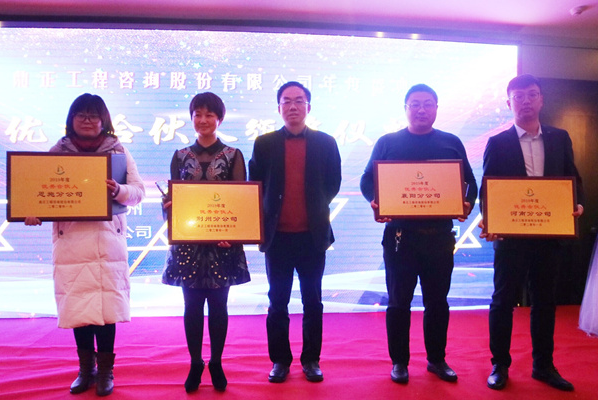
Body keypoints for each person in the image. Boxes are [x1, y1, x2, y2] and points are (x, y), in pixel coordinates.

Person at [24, 93, 146, 396]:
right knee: (80, 308)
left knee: (106, 309)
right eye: (81, 115)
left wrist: (118, 190)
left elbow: (138, 192)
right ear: (71, 119)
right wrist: (32, 211)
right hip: (72, 242)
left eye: (94, 115)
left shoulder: (118, 151)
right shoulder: (57, 152)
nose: (88, 120)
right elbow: (38, 193)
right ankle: (85, 369)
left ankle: (105, 371)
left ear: (104, 120)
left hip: (107, 241)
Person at [360, 84, 477, 384]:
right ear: (405, 109)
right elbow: (366, 180)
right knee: (398, 302)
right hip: (400, 238)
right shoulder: (388, 142)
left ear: (436, 108)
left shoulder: (451, 143)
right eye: (415, 104)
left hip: (439, 237)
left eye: (427, 104)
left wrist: (466, 203)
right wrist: (376, 201)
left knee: (437, 302)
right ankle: (399, 362)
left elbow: (470, 184)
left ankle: (436, 359)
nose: (421, 109)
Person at [479, 74, 584, 392]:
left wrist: (577, 204)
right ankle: (500, 365)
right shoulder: (498, 143)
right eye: (519, 96)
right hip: (510, 238)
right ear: (508, 102)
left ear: (541, 100)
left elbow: (572, 178)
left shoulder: (560, 138)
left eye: (532, 94)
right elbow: (488, 189)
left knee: (545, 301)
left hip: (547, 237)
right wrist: (490, 220)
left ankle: (543, 366)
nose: (526, 101)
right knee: (503, 301)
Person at [248, 81, 341, 383]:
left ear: (308, 107)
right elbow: (255, 185)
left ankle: (311, 359)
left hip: (312, 238)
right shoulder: (264, 144)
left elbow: (333, 183)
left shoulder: (326, 142)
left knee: (313, 301)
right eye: (286, 101)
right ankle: (280, 361)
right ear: (278, 108)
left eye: (299, 101)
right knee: (278, 302)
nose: (292, 106)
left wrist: (314, 206)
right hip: (278, 239)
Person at [161, 92, 250, 393]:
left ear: (219, 119)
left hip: (222, 244)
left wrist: (233, 234)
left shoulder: (233, 155)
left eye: (209, 114)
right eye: (197, 114)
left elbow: (240, 201)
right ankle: (195, 362)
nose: (203, 120)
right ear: (191, 118)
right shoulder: (180, 155)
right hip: (189, 245)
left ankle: (217, 362)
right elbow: (174, 202)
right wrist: (168, 207)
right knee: (192, 306)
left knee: (219, 306)